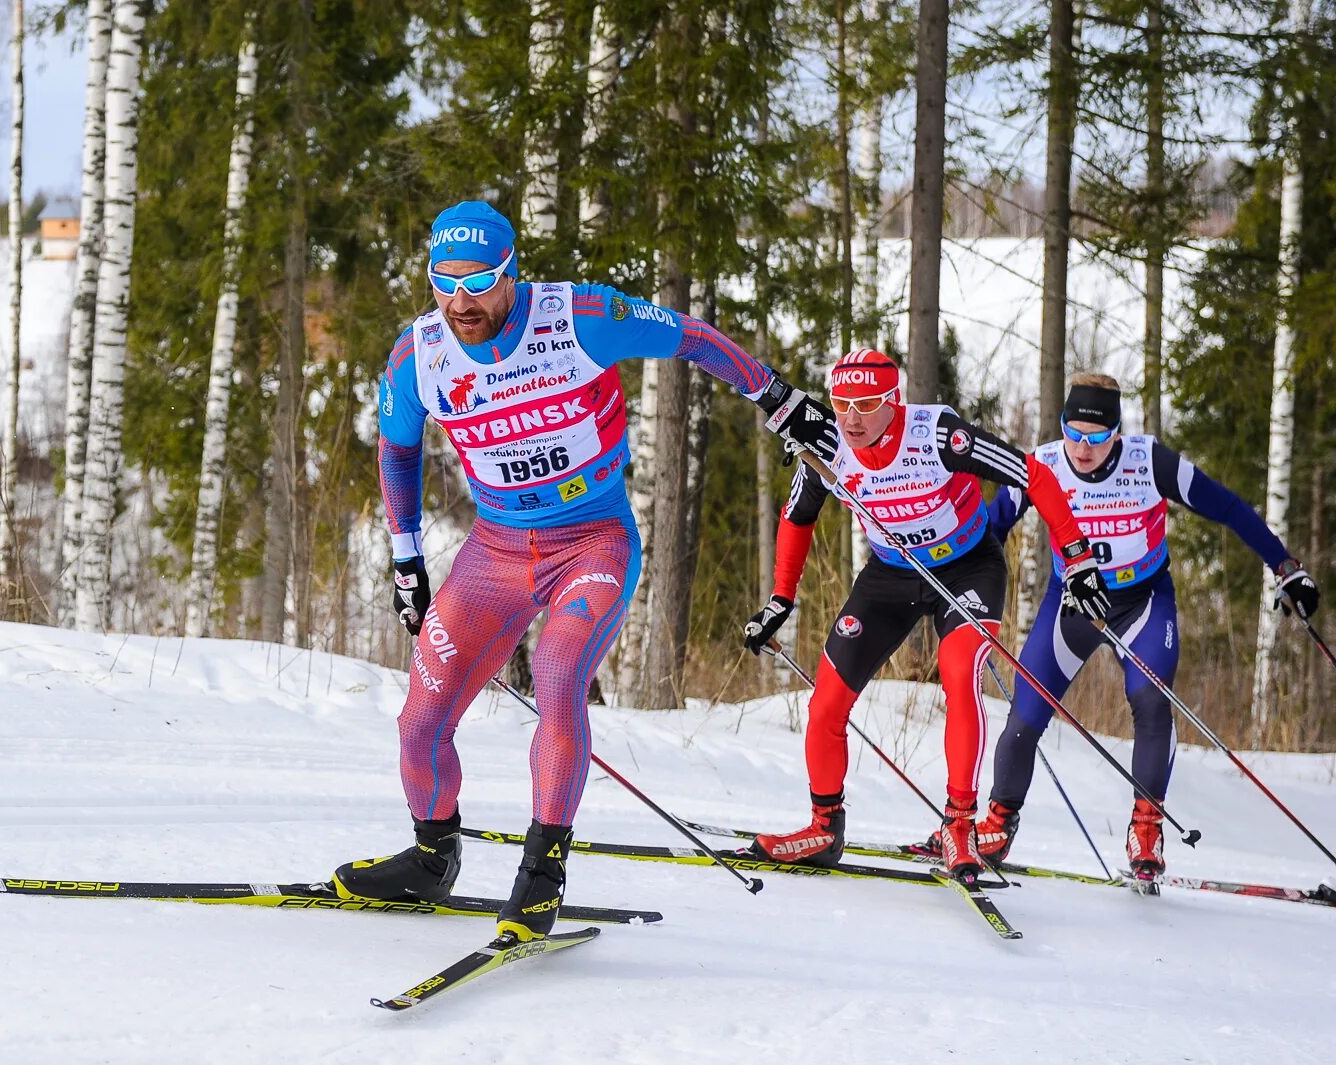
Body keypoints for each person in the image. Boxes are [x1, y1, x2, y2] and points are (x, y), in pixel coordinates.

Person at [333, 200, 832, 941]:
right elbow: (398, 450)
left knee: (561, 671)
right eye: (445, 281)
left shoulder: (578, 317)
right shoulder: (421, 355)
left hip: (592, 541)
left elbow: (689, 337)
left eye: (480, 281)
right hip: (497, 548)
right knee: (419, 719)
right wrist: (406, 559)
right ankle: (433, 856)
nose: (461, 300)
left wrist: (776, 394)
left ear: (513, 272)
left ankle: (541, 874)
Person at [740, 348, 1110, 881]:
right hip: (890, 576)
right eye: (841, 403)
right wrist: (780, 599)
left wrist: (1076, 558)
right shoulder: (826, 447)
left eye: (866, 404)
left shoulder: (939, 435)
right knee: (826, 702)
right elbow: (796, 517)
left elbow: (1035, 476)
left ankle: (960, 826)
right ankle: (824, 826)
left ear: (894, 401)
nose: (851, 418)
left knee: (959, 674)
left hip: (967, 568)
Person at [975, 372, 1319, 878]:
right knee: (1025, 715)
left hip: (1143, 601)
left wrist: (1285, 567)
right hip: (1071, 602)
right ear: (1062, 427)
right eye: (1074, 433)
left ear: (1117, 432)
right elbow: (992, 526)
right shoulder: (1043, 463)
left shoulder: (1149, 460)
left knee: (1151, 700)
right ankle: (999, 819)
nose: (1083, 447)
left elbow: (1227, 507)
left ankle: (1146, 825)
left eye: (1096, 437)